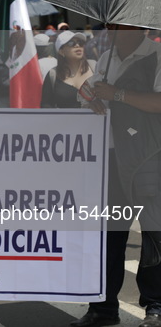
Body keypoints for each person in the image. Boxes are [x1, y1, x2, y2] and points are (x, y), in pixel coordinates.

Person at [71, 25, 161, 327]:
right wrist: (91, 98)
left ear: (139, 27)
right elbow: (88, 91)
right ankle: (103, 308)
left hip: (146, 158)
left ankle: (156, 307)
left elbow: (159, 102)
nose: (110, 29)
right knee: (108, 237)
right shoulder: (107, 56)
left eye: (118, 24)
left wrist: (117, 94)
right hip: (110, 157)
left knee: (153, 234)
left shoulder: (157, 55)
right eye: (110, 24)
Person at [41, 31, 93, 108]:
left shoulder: (95, 67)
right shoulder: (53, 74)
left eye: (80, 42)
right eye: (71, 43)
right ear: (61, 51)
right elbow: (46, 105)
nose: (77, 45)